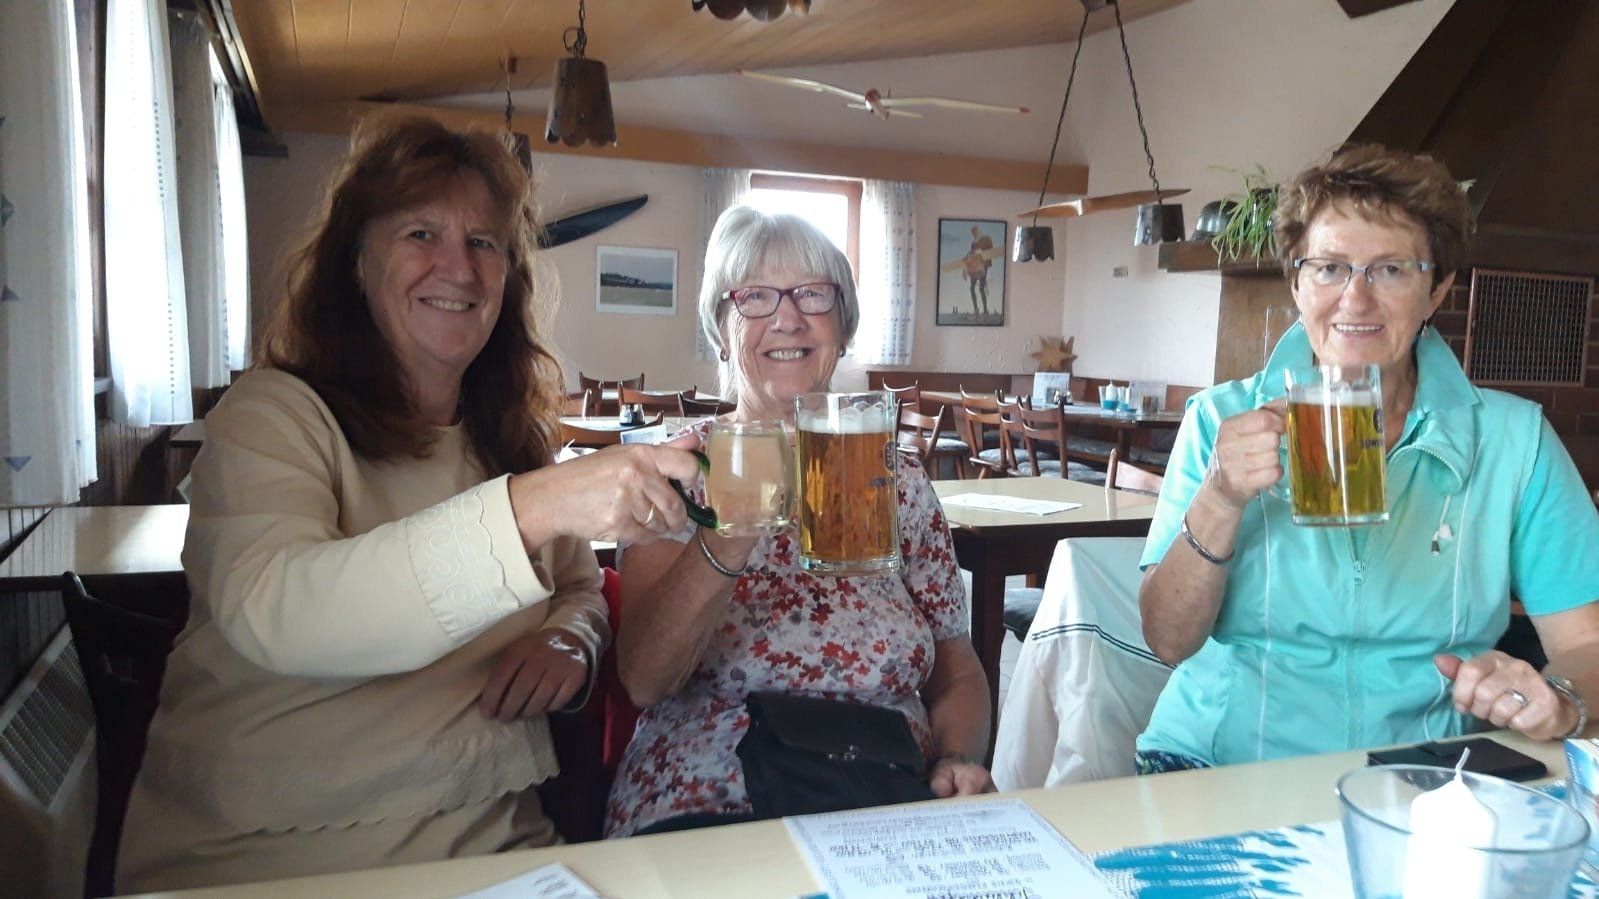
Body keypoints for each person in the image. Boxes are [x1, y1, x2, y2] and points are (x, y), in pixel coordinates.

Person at [117, 115, 702, 891]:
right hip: (266, 857)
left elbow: (580, 590)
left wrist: (570, 640)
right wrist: (531, 507)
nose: (457, 268)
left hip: (498, 843)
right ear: (356, 262)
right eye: (421, 233)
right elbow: (277, 609)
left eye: (484, 243)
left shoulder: (506, 438)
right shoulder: (273, 415)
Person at [1135, 144, 1599, 773]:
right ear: (1297, 284)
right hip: (1220, 765)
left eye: (1391, 270)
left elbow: (1587, 643)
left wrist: (1561, 698)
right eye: (1329, 268)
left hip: (1425, 772)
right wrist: (1220, 497)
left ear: (1436, 291)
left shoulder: (1515, 441)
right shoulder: (1219, 418)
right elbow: (1166, 641)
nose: (1355, 299)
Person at [604, 207, 994, 837]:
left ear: (843, 327)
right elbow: (645, 680)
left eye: (812, 294)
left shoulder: (897, 479)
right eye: (755, 297)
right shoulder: (676, 470)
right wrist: (728, 538)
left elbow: (958, 669)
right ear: (722, 331)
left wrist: (957, 759)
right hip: (713, 791)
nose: (787, 318)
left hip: (882, 787)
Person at [965, 224, 994, 315]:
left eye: (976, 232)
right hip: (975, 266)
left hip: (983, 265)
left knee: (981, 288)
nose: (974, 234)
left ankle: (985, 310)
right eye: (973, 233)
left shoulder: (987, 239)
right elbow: (971, 255)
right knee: (972, 288)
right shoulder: (973, 244)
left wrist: (981, 252)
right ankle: (976, 309)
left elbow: (992, 251)